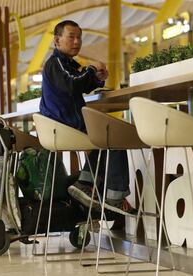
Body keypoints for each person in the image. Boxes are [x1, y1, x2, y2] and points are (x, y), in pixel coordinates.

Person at [40, 20, 135, 214]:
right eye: (71, 37)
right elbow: (72, 84)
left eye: (79, 37)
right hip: (63, 126)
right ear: (57, 40)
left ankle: (85, 183)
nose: (77, 42)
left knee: (105, 136)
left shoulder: (67, 64)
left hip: (66, 125)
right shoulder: (55, 63)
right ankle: (114, 196)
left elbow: (80, 83)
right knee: (112, 137)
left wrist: (97, 78)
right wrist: (91, 70)